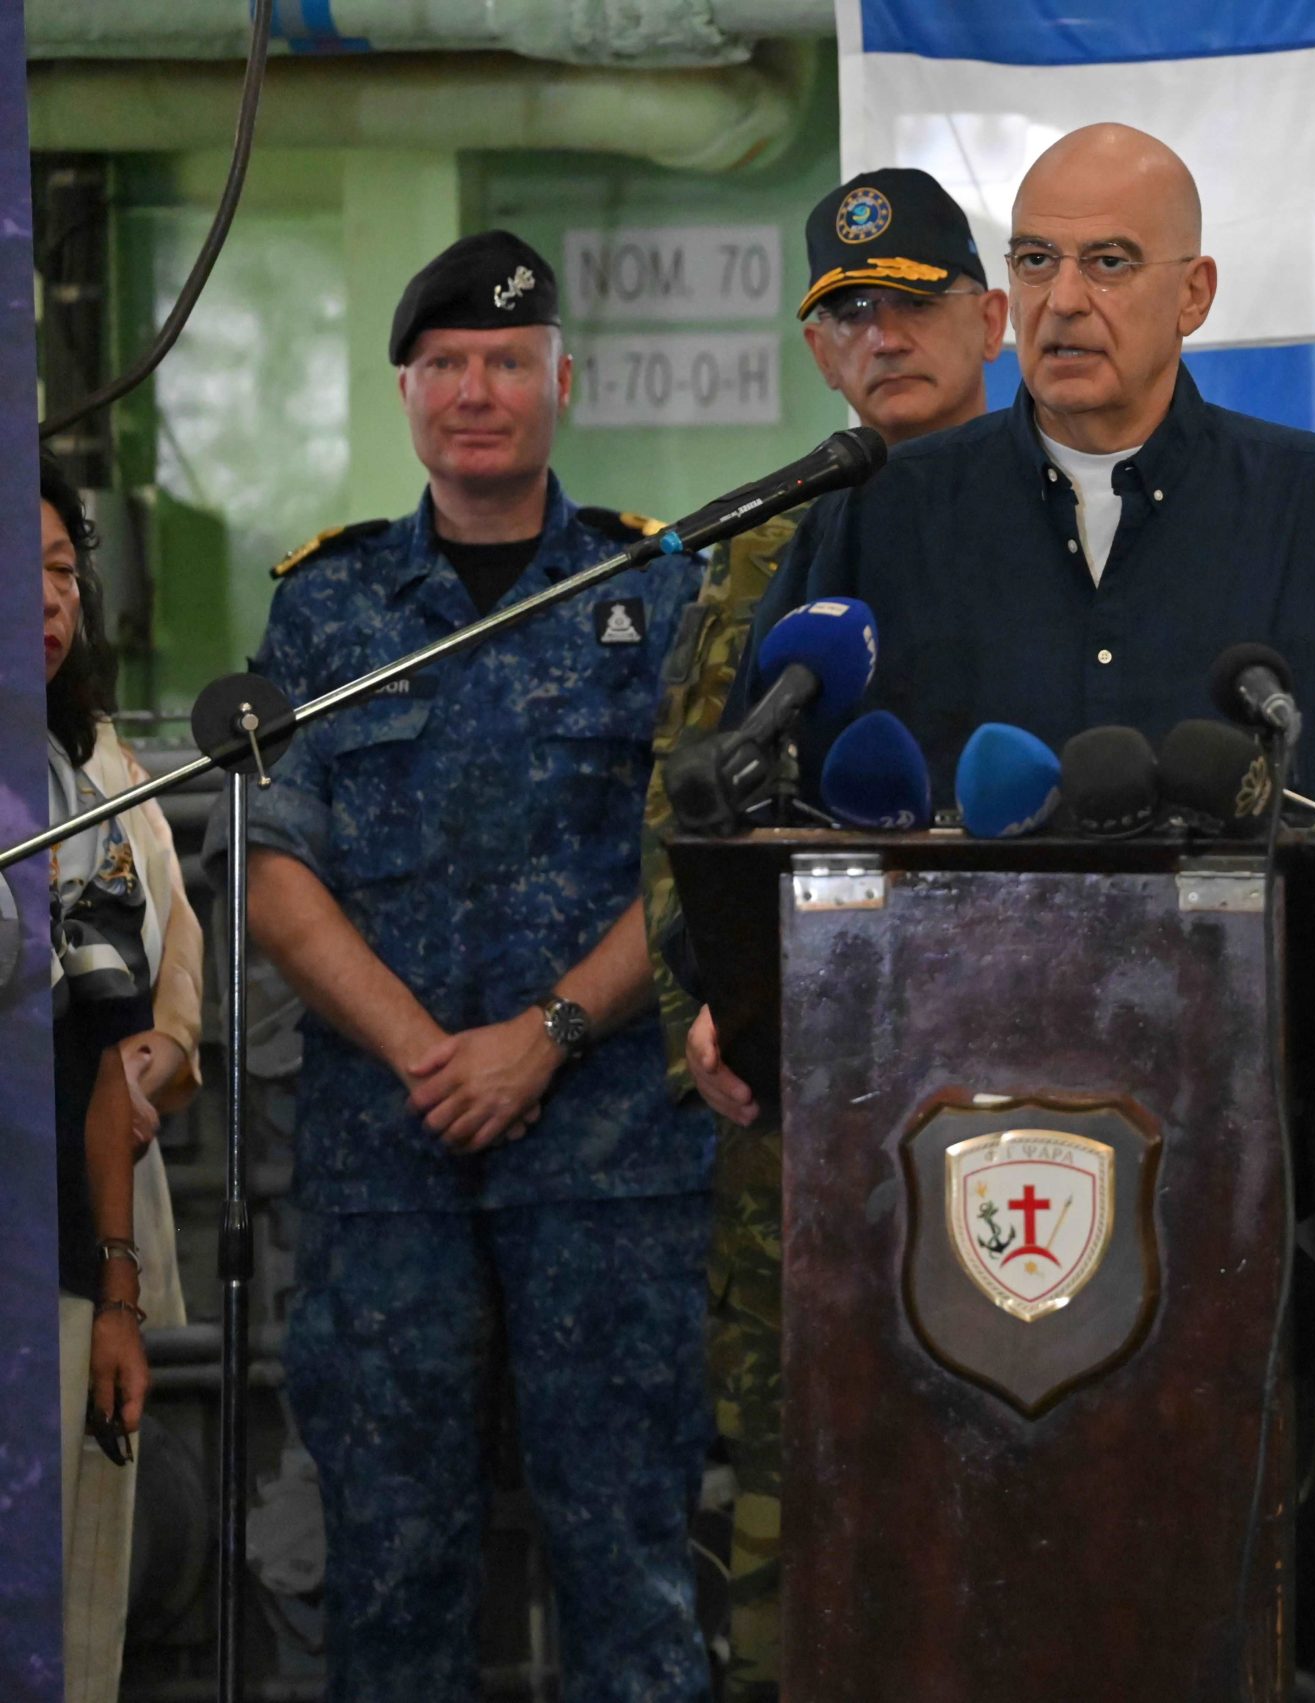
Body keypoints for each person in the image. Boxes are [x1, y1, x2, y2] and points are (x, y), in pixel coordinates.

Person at [687, 122, 1315, 1189]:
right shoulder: (881, 520)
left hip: (1256, 1133)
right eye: (1035, 260)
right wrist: (740, 986)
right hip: (926, 1134)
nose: (1063, 298)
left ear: (1195, 292)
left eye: (1109, 262)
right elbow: (754, 786)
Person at [227, 232, 714, 1702]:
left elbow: (694, 855)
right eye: (445, 365)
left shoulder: (659, 589)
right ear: (406, 393)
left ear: (562, 379)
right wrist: (427, 1053)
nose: (477, 391)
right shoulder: (329, 606)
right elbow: (274, 863)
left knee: (629, 1564)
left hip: (615, 1155)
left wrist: (547, 1032)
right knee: (390, 1568)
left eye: (507, 361)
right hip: (392, 1157)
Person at [634, 166, 1004, 1700]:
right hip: (802, 1134)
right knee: (805, 1537)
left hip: (1026, 1096)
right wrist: (698, 1015)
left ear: (990, 318)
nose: (884, 337)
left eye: (915, 304)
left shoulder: (1082, 526)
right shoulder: (754, 552)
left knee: (1021, 1511)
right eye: (849, 314)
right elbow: (683, 820)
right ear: (817, 353)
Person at [40, 454, 201, 1703]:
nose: (45, 600)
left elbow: (163, 977)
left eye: (60, 572)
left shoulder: (98, 767)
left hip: (84, 1234)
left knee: (78, 1607)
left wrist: (174, 1046)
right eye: (16, 572)